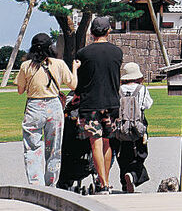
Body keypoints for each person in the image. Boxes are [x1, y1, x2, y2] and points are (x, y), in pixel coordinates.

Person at [15, 33, 79, 185]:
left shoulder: (26, 66)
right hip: (53, 107)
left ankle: (36, 182)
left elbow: (20, 90)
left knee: (31, 147)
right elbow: (74, 85)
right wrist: (75, 68)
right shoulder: (58, 64)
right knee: (54, 148)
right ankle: (51, 183)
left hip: (34, 107)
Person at [76, 16, 123, 193]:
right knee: (107, 142)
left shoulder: (83, 54)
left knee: (95, 142)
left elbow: (81, 82)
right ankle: (106, 180)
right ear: (108, 31)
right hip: (111, 102)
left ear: (91, 32)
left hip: (90, 103)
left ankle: (102, 184)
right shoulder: (117, 52)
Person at [113, 61, 153, 193]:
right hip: (138, 126)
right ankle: (133, 176)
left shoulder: (119, 89)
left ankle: (125, 183)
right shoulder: (142, 89)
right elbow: (147, 105)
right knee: (140, 155)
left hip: (121, 127)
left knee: (122, 156)